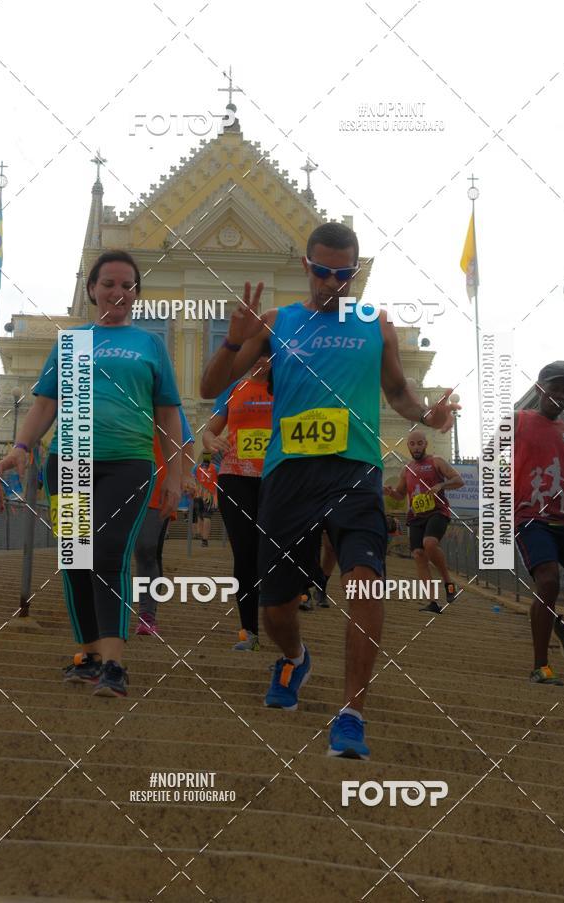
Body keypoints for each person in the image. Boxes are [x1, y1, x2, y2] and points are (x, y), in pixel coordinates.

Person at [200, 222, 457, 759]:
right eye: (322, 272)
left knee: (364, 581)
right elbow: (208, 387)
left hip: (353, 470)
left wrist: (428, 415)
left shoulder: (375, 325)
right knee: (276, 606)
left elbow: (399, 393)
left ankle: (352, 713)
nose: (331, 284)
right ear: (306, 267)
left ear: (355, 273)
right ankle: (293, 656)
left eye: (342, 275)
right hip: (288, 476)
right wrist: (232, 339)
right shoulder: (278, 322)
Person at [0, 250, 182, 698]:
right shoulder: (72, 341)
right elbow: (45, 402)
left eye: (127, 285)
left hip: (130, 461)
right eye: (109, 284)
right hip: (71, 458)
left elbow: (168, 414)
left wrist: (175, 475)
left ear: (136, 293)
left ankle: (115, 663)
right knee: (76, 558)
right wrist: (21, 446)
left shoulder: (149, 344)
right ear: (92, 290)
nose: (118, 292)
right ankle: (88, 655)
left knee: (109, 551)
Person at [515, 363, 564, 684]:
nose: (558, 394)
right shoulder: (519, 421)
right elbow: (490, 455)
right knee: (549, 581)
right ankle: (540, 666)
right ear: (540, 388)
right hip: (532, 516)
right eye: (553, 388)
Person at [202, 356, 273, 650]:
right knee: (244, 554)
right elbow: (210, 430)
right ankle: (249, 630)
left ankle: (284, 614)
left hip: (277, 478)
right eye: (254, 354)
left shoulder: (286, 386)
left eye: (266, 354)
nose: (260, 360)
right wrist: (209, 440)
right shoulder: (234, 388)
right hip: (235, 477)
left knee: (276, 552)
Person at [384, 429, 464, 614]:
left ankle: (448, 583)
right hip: (416, 516)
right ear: (408, 447)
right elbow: (400, 495)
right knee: (419, 555)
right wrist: (390, 492)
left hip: (437, 512)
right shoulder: (406, 470)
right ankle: (432, 602)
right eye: (412, 444)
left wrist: (441, 485)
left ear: (425, 444)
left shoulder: (436, 461)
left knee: (429, 543)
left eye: (420, 443)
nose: (416, 447)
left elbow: (459, 480)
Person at [134, 408, 194, 636]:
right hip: (120, 483)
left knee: (146, 548)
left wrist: (186, 476)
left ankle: (147, 614)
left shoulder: (167, 403)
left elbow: (187, 441)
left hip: (158, 486)